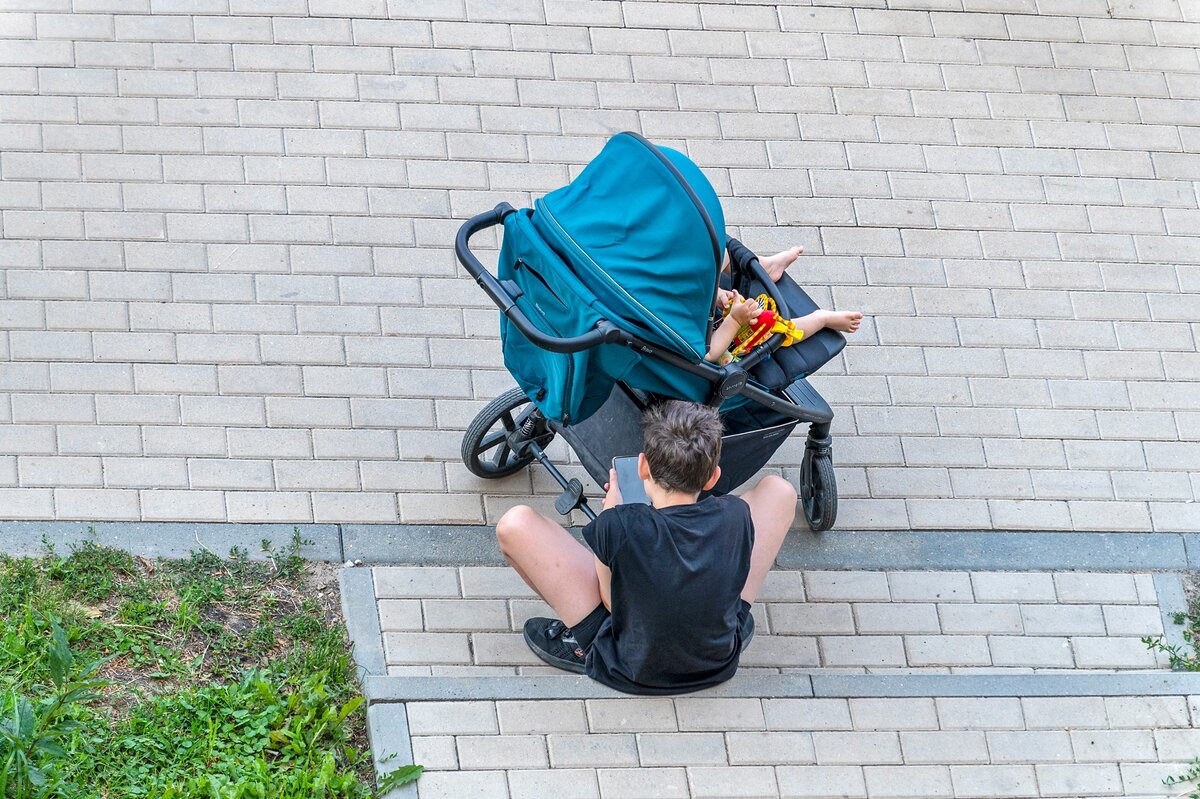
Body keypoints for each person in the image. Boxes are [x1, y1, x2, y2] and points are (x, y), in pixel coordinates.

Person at [495, 400, 798, 695]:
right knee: (779, 491)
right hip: (718, 660)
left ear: (642, 466)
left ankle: (584, 646)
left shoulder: (620, 524)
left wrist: (612, 514)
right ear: (713, 477)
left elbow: (613, 603)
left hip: (629, 669)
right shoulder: (735, 513)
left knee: (514, 524)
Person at [705, 245, 863, 364]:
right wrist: (735, 320)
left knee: (717, 252)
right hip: (721, 339)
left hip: (697, 303)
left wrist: (716, 293)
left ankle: (766, 266)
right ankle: (821, 319)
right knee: (770, 326)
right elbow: (709, 354)